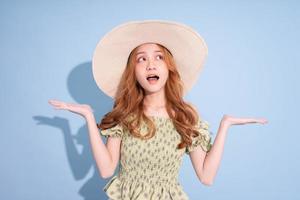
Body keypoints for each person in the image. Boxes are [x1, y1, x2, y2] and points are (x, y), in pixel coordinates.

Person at [48, 20, 268, 200]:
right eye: (141, 59)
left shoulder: (185, 118)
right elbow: (106, 170)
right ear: (133, 72)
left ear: (169, 68)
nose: (150, 65)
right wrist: (88, 116)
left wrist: (225, 125)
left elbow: (206, 176)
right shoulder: (124, 117)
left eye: (158, 57)